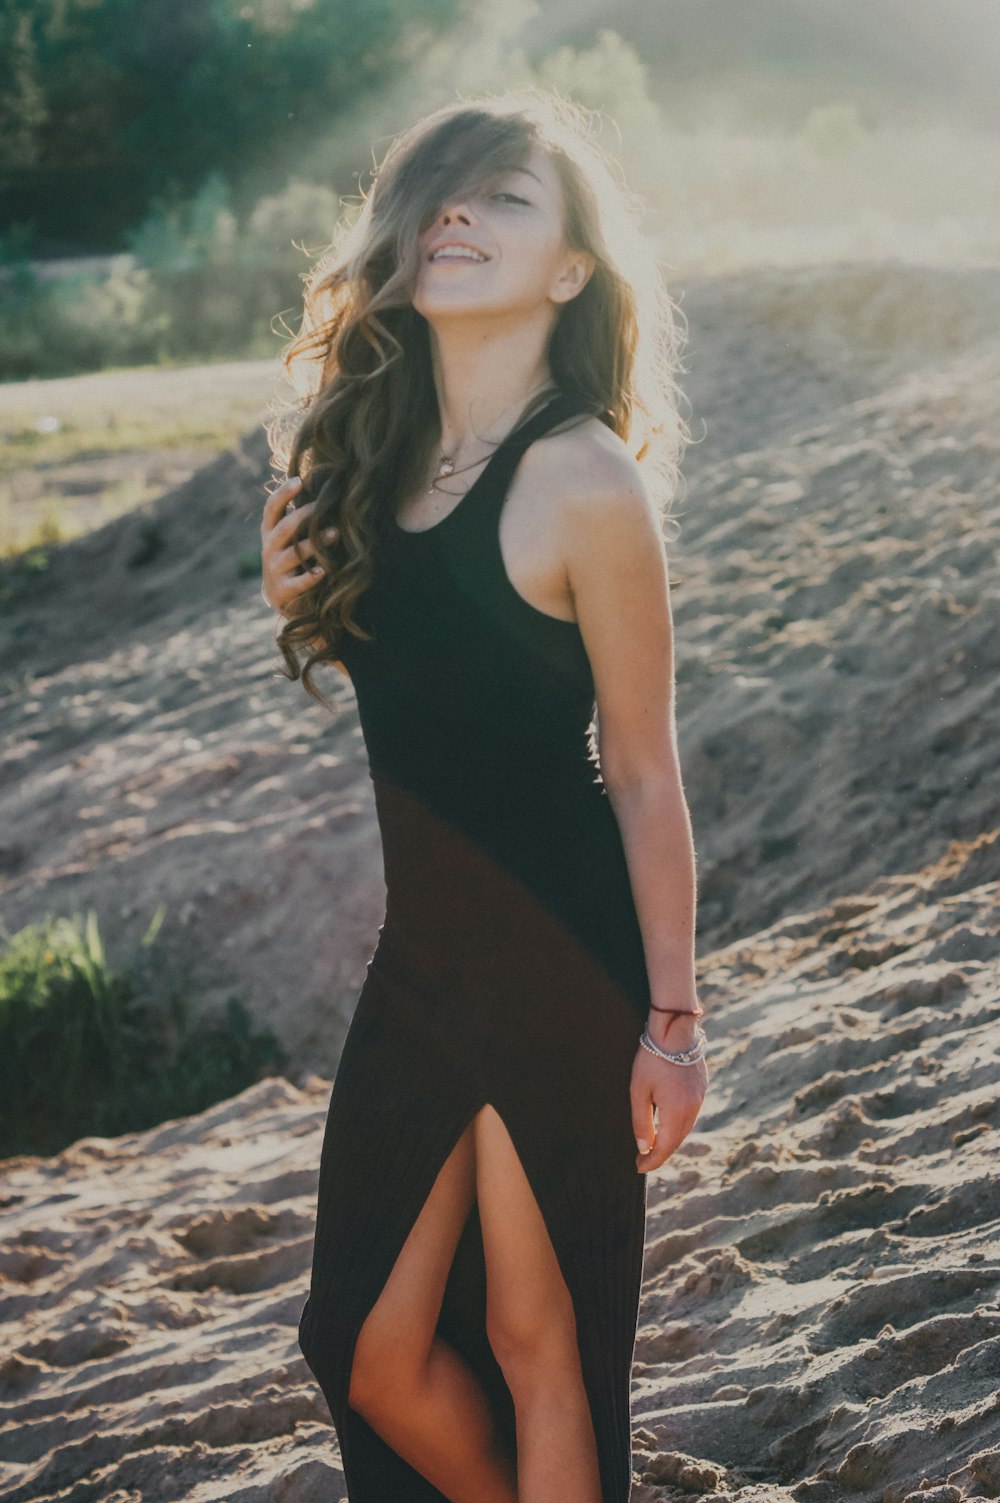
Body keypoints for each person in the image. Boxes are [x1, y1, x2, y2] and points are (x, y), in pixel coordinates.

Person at [260, 89, 708, 1503]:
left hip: (557, 956)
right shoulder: (375, 463)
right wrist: (303, 602)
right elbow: (443, 696)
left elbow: (640, 767)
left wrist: (675, 1020)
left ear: (571, 269)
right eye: (440, 193)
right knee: (363, 1350)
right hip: (424, 966)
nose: (457, 214)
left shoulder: (585, 479)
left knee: (536, 1336)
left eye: (507, 199)